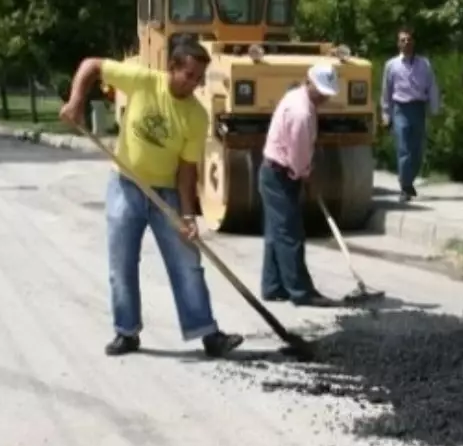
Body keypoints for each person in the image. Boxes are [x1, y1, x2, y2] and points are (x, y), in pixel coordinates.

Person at [59, 33, 243, 358]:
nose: (194, 84)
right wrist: (76, 102)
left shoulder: (196, 116)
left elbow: (187, 171)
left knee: (187, 263)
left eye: (200, 79)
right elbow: (91, 65)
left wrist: (188, 216)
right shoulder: (143, 82)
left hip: (167, 194)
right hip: (125, 186)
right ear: (172, 67)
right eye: (189, 76)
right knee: (122, 263)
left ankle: (208, 334)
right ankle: (126, 333)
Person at [258, 63, 341, 307]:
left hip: (276, 171)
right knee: (290, 234)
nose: (325, 97)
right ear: (310, 83)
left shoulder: (297, 96)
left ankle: (273, 286)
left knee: (277, 233)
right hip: (280, 175)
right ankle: (302, 292)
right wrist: (308, 178)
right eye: (322, 91)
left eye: (328, 93)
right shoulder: (301, 112)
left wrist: (304, 172)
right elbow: (298, 157)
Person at [381, 25, 440, 202]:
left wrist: (434, 107)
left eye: (409, 40)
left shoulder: (424, 64)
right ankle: (405, 186)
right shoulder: (391, 65)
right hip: (400, 108)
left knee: (417, 150)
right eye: (402, 40)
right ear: (398, 44)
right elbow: (386, 91)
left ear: (413, 42)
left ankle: (409, 180)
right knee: (404, 148)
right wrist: (386, 113)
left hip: (418, 108)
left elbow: (432, 86)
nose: (406, 43)